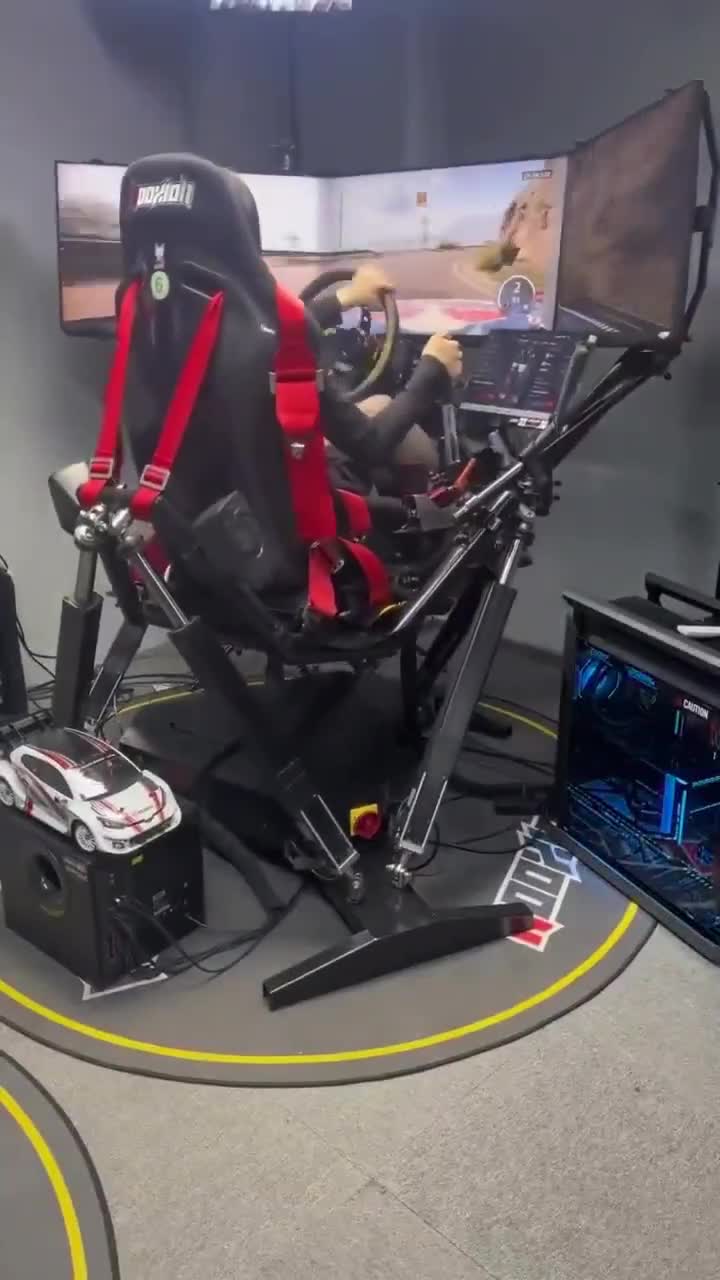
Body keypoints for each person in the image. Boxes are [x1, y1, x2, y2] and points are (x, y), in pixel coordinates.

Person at [303, 262, 462, 493]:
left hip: (279, 471)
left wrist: (346, 297)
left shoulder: (254, 339)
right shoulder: (295, 371)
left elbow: (283, 327)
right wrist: (432, 369)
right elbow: (370, 444)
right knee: (415, 444)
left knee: (378, 403)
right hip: (325, 488)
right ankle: (435, 500)